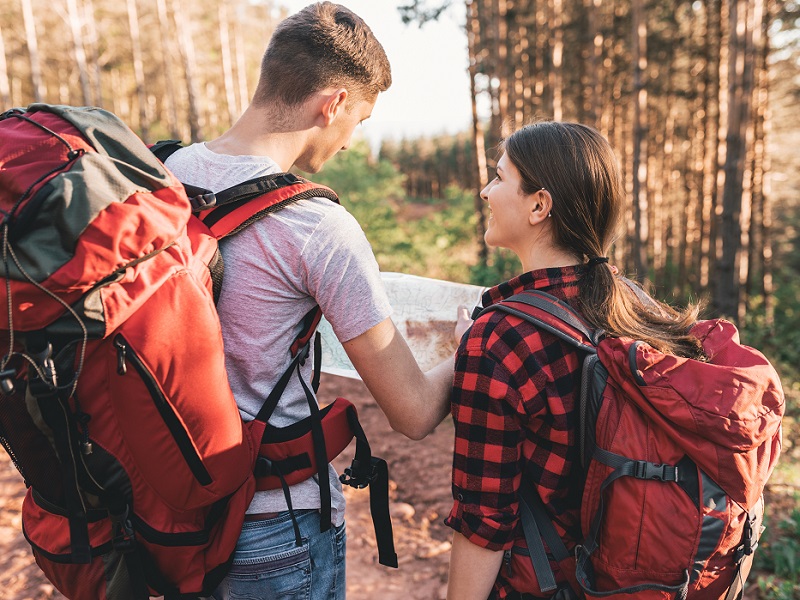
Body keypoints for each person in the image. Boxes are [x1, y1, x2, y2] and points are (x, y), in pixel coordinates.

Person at [164, 3, 461, 598]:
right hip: (275, 529)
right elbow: (414, 412)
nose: (351, 142)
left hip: (167, 515)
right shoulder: (315, 226)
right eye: (360, 119)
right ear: (333, 104)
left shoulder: (164, 173)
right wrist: (482, 333)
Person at [444, 121, 706, 600]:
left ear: (540, 205)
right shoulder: (633, 302)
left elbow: (483, 522)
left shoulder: (499, 338)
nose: (485, 191)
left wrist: (478, 350)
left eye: (499, 178)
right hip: (631, 580)